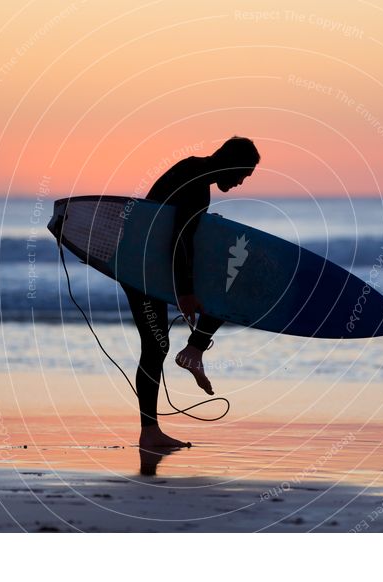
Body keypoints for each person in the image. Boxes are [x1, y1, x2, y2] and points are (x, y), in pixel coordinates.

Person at [124, 136, 260, 449]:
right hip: (143, 270)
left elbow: (176, 225)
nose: (240, 182)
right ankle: (150, 431)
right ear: (233, 164)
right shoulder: (197, 185)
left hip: (150, 265)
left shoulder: (193, 172)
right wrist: (185, 292)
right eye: (243, 174)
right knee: (156, 345)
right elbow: (179, 238)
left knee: (225, 286)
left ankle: (195, 351)